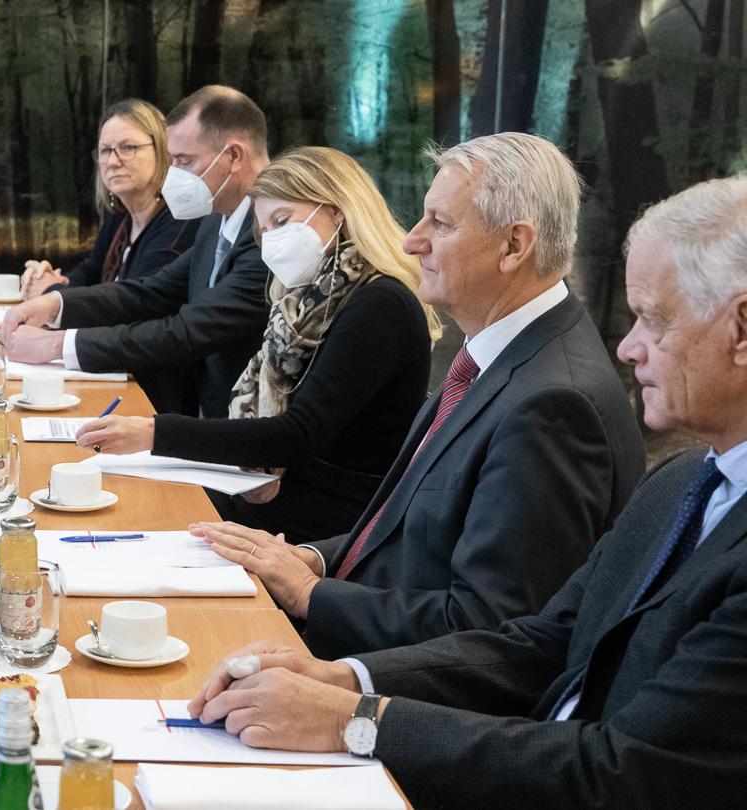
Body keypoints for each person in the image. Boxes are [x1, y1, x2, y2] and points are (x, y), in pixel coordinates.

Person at [184, 174, 747, 809]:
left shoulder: (558, 400)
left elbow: (626, 772)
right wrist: (344, 679)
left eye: (652, 318)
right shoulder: (686, 476)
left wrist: (355, 719)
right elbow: (543, 640)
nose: (628, 346)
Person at [190, 132, 644, 658]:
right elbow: (407, 533)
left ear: (514, 246)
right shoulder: (500, 351)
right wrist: (310, 559)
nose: (412, 240)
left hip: (391, 680)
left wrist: (313, 597)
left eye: (441, 223)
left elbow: (491, 631)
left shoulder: (553, 405)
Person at [72, 147, 436, 543]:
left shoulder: (380, 304)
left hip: (329, 526)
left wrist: (155, 433)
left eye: (283, 221)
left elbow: (296, 434)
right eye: (265, 231)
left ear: (338, 210)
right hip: (278, 492)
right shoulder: (304, 300)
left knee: (139, 517)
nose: (273, 242)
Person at [0, 85, 273, 417]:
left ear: (232, 157)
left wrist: (56, 345)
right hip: (204, 422)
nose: (174, 173)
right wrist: (56, 304)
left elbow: (188, 330)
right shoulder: (216, 221)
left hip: (239, 431)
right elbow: (147, 292)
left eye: (185, 161)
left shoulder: (268, 235)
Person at [20, 98, 194, 297]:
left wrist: (52, 291)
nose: (112, 161)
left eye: (128, 148)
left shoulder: (180, 221)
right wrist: (56, 280)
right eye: (105, 150)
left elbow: (134, 302)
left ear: (162, 149)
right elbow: (90, 272)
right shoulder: (120, 217)